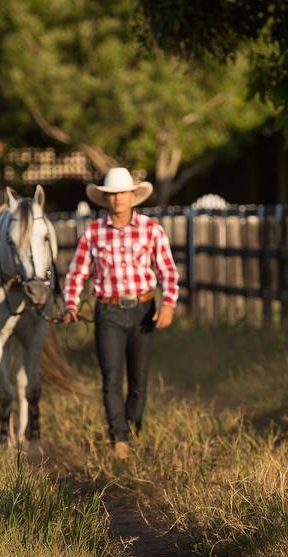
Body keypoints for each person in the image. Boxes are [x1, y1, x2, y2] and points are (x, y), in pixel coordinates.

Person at [61, 167, 179, 459]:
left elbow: (168, 271)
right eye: (112, 195)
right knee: (111, 377)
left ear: (132, 196)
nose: (117, 199)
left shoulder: (151, 229)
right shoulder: (93, 232)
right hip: (108, 311)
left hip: (142, 308)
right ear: (106, 198)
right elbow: (77, 272)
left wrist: (168, 304)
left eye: (122, 193)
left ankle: (132, 427)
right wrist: (71, 303)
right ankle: (120, 438)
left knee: (138, 379)